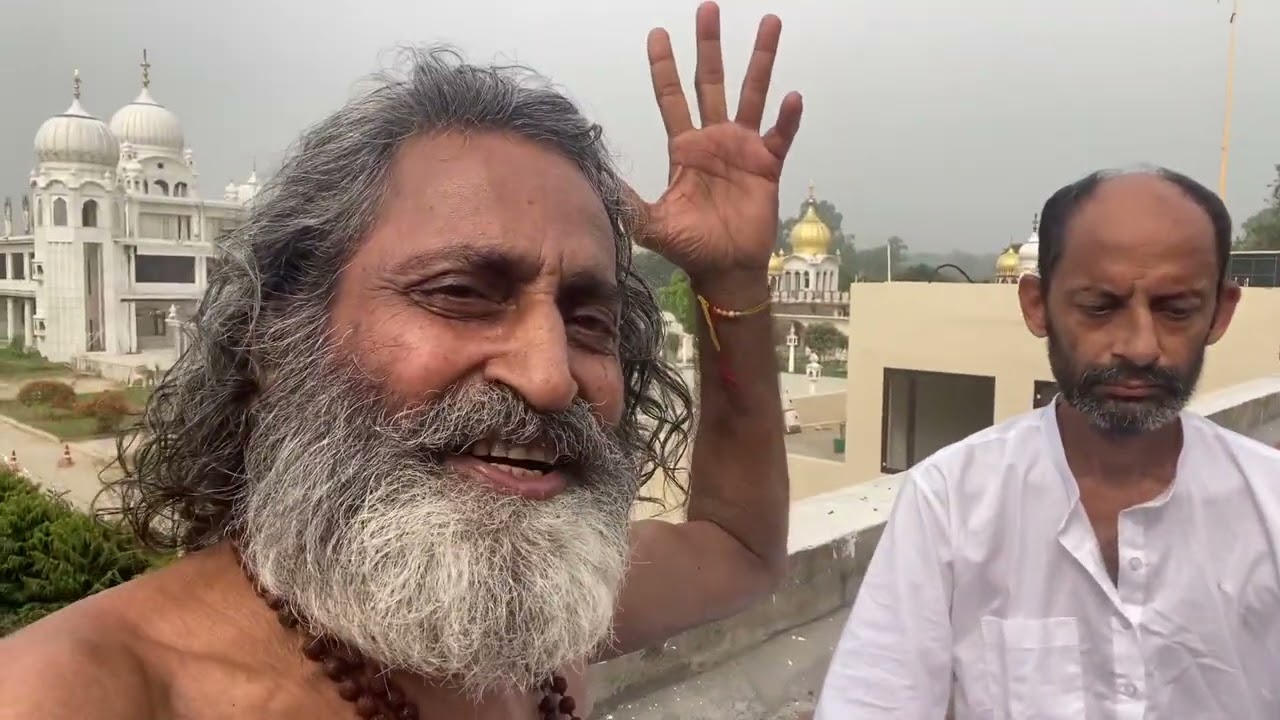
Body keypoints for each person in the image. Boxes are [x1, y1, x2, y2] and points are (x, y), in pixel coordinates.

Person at [0, 4, 803, 718]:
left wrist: (730, 280)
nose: (550, 375)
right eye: (460, 293)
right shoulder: (82, 695)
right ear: (273, 340)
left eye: (588, 319)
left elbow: (738, 549)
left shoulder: (531, 625)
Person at [814, 166, 1280, 719]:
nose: (1140, 346)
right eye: (1099, 307)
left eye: (1176, 310)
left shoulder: (1270, 502)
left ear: (1220, 313)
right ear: (1036, 305)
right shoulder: (951, 503)